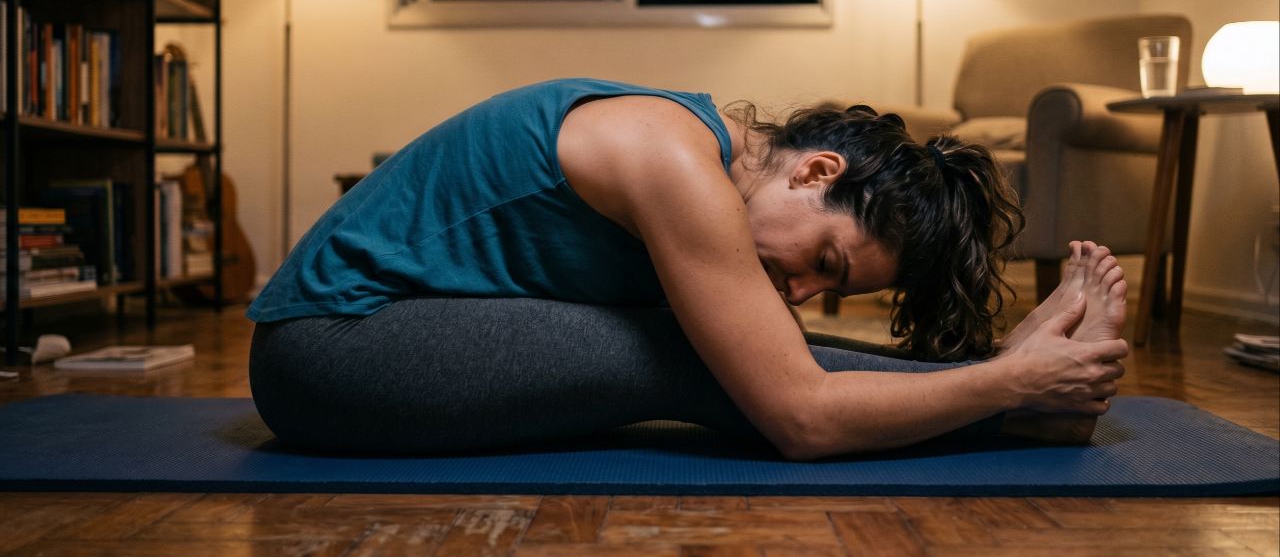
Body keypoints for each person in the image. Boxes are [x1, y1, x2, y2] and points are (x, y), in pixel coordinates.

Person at [247, 77, 1129, 459]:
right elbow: (800, 420)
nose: (804, 290)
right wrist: (1005, 386)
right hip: (330, 355)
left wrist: (993, 374)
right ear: (819, 170)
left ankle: (1015, 391)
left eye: (834, 287)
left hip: (391, 343)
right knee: (682, 356)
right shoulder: (676, 164)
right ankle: (1023, 410)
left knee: (745, 346)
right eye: (824, 259)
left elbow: (783, 358)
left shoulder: (713, 160)